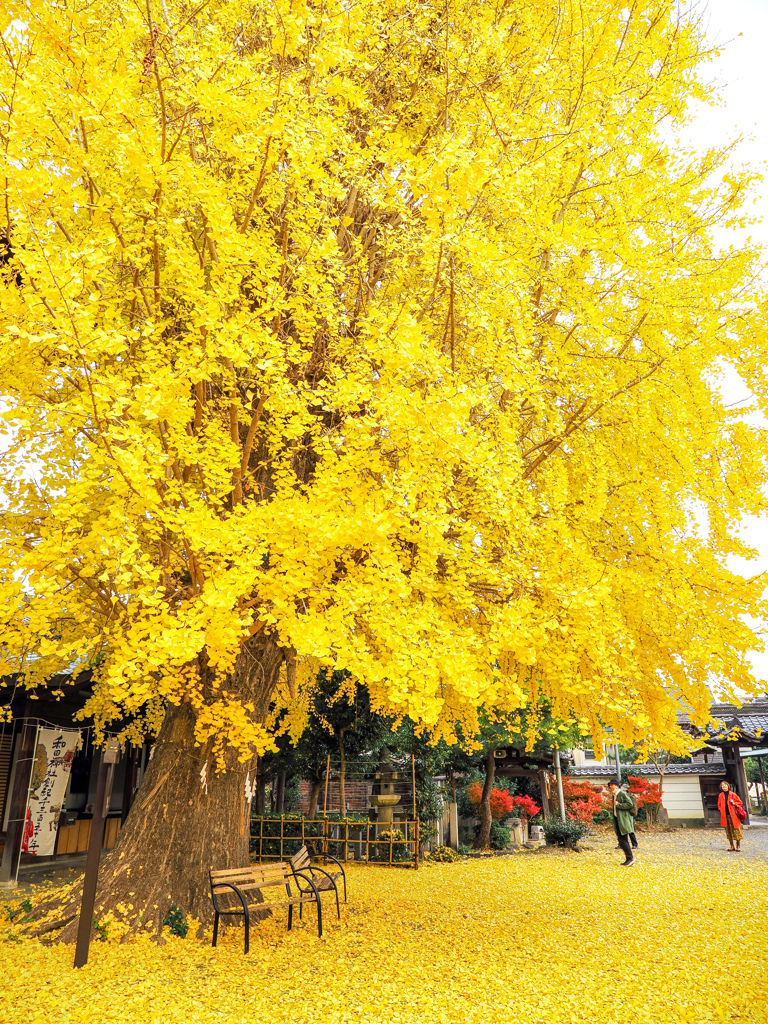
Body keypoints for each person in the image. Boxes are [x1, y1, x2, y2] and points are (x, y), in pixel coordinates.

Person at [607, 778, 635, 866]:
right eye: (610, 786)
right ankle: (629, 859)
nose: (611, 787)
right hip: (618, 819)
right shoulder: (615, 795)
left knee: (623, 840)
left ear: (617, 786)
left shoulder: (622, 794)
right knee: (621, 839)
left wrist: (619, 805)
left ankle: (630, 858)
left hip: (623, 820)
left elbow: (630, 804)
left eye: (613, 785)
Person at [717, 781, 745, 852]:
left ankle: (738, 846)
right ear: (721, 787)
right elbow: (719, 804)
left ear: (728, 786)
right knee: (728, 830)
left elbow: (740, 802)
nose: (724, 787)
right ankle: (732, 846)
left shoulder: (733, 794)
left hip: (734, 815)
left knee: (736, 830)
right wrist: (721, 809)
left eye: (725, 785)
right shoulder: (721, 795)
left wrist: (734, 803)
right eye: (722, 786)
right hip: (725, 815)